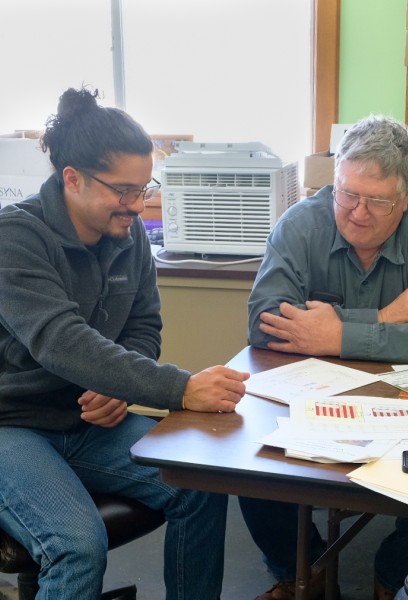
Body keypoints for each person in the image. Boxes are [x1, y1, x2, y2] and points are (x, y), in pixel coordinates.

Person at [0, 87, 249, 600]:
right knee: (76, 544)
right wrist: (180, 389)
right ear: (72, 178)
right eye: (123, 191)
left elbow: (143, 327)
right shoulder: (15, 237)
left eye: (143, 188)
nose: (137, 205)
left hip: (86, 423)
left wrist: (116, 386)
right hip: (12, 424)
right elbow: (60, 342)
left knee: (201, 485)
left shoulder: (126, 233)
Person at [239, 114, 408, 600]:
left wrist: (335, 331)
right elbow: (264, 321)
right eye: (347, 194)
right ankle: (297, 568)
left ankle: (394, 575)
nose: (358, 213)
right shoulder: (300, 223)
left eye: (377, 200)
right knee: (246, 454)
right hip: (312, 396)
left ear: (407, 196)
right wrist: (388, 316)